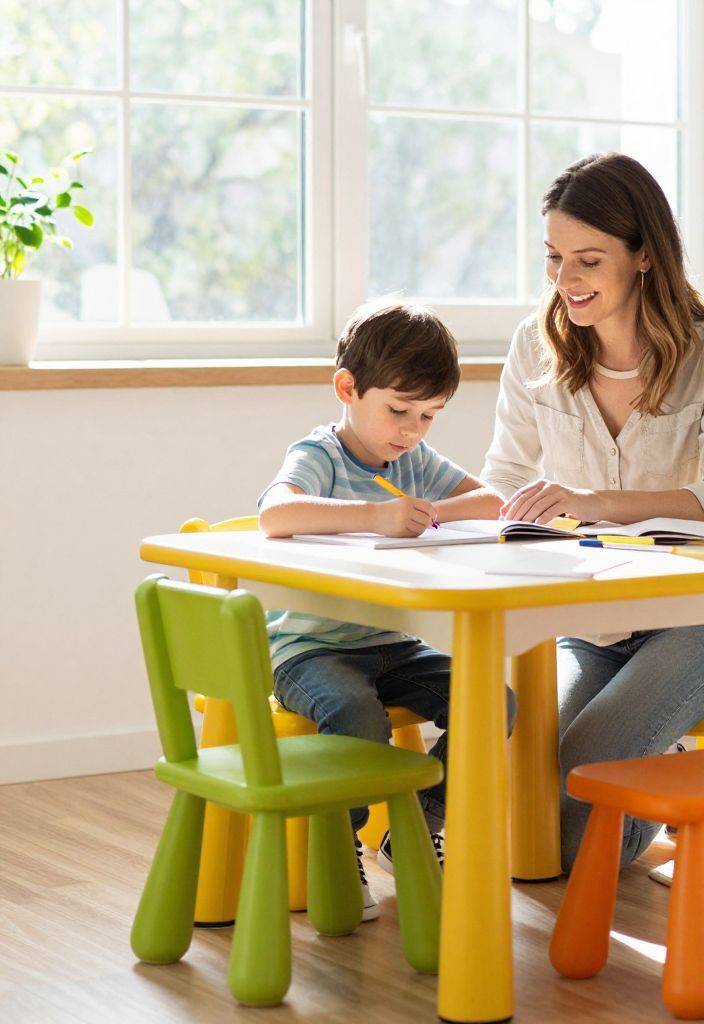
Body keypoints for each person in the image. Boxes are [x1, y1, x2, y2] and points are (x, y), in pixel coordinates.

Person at [469, 153, 704, 871]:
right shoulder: (534, 347)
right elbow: (503, 479)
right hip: (592, 626)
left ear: (643, 255)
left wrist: (595, 506)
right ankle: (662, 764)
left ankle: (663, 779)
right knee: (523, 795)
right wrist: (421, 514)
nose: (564, 279)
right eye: (554, 257)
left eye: (588, 260)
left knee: (573, 825)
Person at [258, 300, 518, 919]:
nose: (411, 430)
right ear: (348, 389)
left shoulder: (413, 460)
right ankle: (338, 847)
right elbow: (275, 513)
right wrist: (378, 516)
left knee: (491, 701)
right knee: (357, 715)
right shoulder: (320, 453)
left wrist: (429, 513)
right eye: (399, 410)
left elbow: (493, 500)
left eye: (429, 415)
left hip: (390, 646)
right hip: (310, 649)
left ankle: (415, 829)